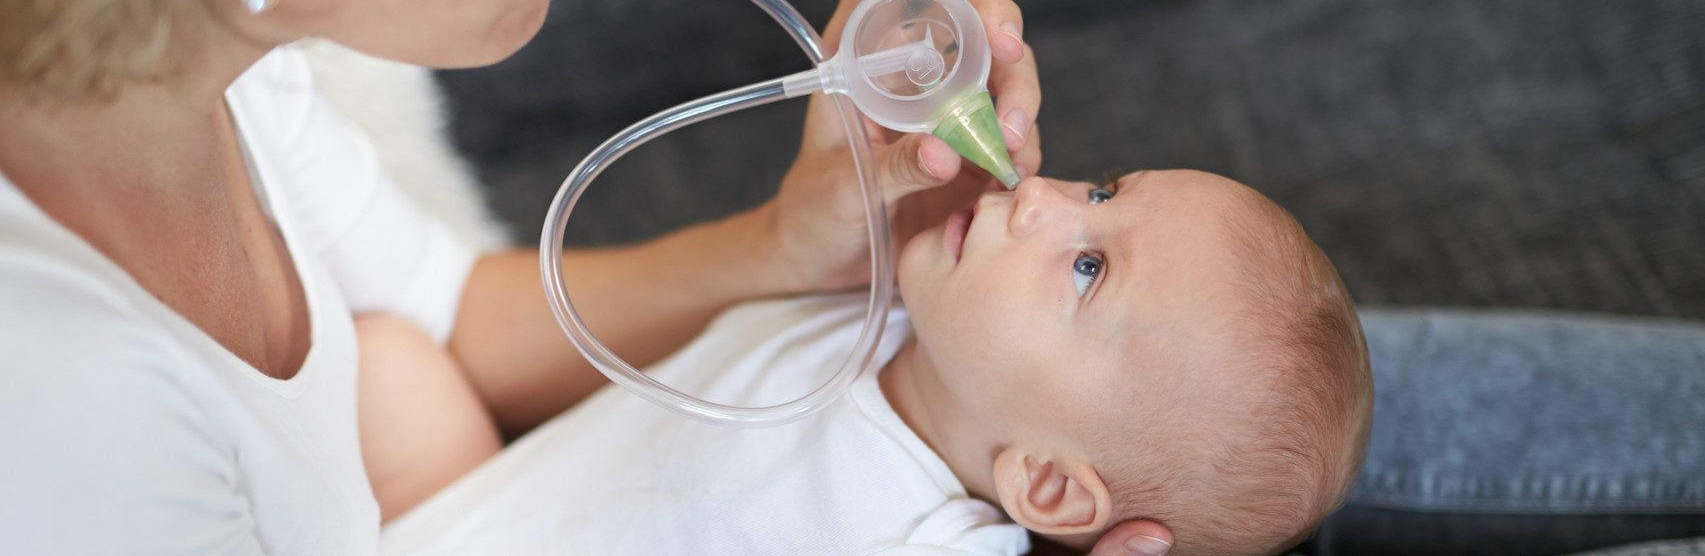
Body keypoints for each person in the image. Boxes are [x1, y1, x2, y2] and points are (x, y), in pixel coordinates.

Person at [0, 0, 1178, 553]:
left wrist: (796, 246)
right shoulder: (68, 424)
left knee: (402, 369)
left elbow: (461, 311)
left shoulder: (219, 62)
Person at [376, 170, 1371, 555]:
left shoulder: (929, 541)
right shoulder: (904, 308)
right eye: (1103, 193)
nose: (1043, 199)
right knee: (389, 369)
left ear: (1051, 486)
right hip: (466, 512)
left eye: (1085, 268)